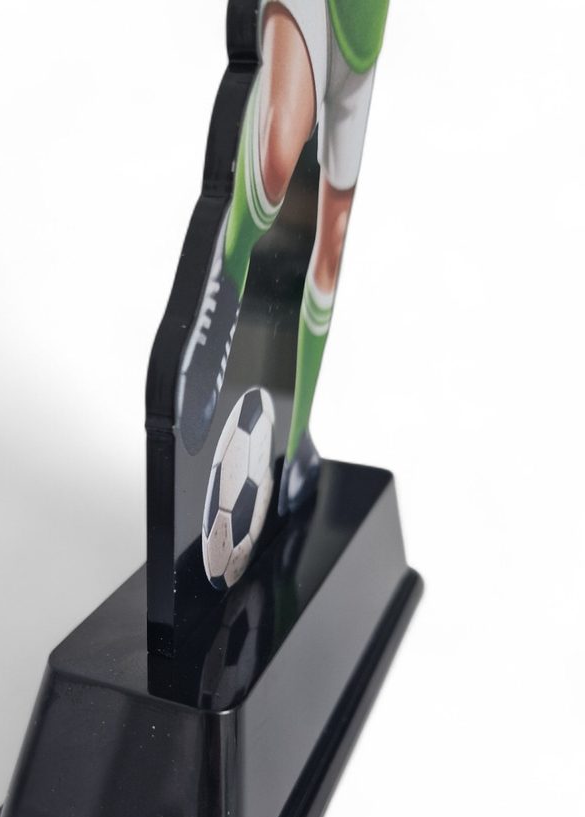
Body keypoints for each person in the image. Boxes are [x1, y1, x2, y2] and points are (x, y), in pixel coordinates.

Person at [178, 0, 389, 514]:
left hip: (365, 26)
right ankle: (223, 290)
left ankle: (297, 443)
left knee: (333, 237)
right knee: (275, 155)